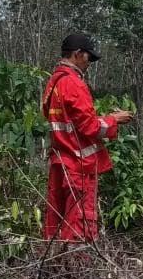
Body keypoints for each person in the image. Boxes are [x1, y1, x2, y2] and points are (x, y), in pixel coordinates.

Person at [42, 32, 133, 247]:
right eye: (88, 58)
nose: (89, 63)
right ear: (77, 54)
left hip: (59, 162)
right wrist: (114, 120)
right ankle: (76, 272)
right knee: (78, 222)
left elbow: (71, 122)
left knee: (55, 221)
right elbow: (90, 128)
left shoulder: (53, 82)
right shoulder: (73, 84)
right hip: (77, 165)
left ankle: (53, 268)